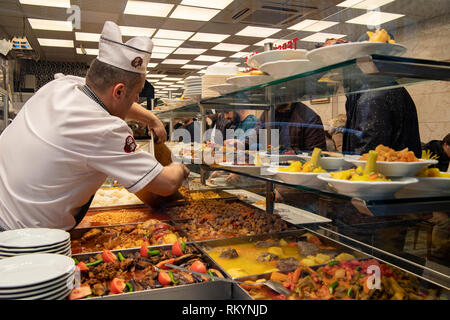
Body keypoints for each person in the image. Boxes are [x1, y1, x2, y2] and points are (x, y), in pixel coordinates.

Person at [0, 21, 189, 231]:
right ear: (118, 91)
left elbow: (102, 96)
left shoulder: (60, 86)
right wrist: (178, 167)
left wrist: (151, 119)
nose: (137, 99)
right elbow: (166, 184)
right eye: (137, 93)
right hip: (23, 238)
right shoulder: (105, 129)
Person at [255, 101, 326, 153]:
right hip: (271, 167)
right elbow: (253, 139)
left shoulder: (310, 119)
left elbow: (316, 157)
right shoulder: (268, 113)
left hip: (297, 170)